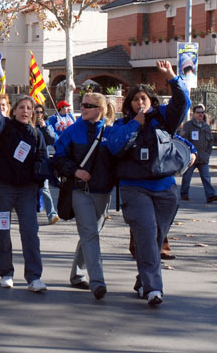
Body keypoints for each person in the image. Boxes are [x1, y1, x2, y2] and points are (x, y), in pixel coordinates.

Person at [106, 60, 191, 306]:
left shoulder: (163, 120)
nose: (140, 102)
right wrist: (135, 124)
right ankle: (154, 288)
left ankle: (143, 278)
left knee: (155, 238)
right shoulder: (122, 125)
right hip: (134, 188)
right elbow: (113, 147)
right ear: (129, 104)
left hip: (165, 188)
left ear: (152, 102)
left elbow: (182, 103)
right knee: (145, 234)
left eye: (144, 98)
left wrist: (172, 77)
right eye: (135, 99)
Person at [0, 73, 48, 293]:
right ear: (13, 111)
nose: (25, 111)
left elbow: (42, 157)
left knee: (30, 232)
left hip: (27, 191)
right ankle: (6, 273)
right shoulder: (3, 127)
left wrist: (40, 172)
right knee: (2, 230)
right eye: (21, 107)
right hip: (2, 188)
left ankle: (34, 277)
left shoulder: (36, 134)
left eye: (29, 108)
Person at [54, 93, 116, 300]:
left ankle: (77, 275)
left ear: (100, 109)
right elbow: (59, 158)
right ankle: (97, 282)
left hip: (103, 192)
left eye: (88, 105)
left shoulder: (111, 132)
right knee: (90, 233)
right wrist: (74, 171)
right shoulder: (72, 131)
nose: (83, 107)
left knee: (90, 234)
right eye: (82, 104)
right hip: (79, 191)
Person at [179, 104, 217, 203]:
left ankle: (210, 195)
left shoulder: (206, 126)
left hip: (203, 157)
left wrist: (208, 153)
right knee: (187, 177)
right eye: (198, 112)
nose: (201, 114)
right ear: (193, 114)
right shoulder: (188, 126)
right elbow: (183, 140)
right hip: (191, 157)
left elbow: (210, 141)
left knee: (206, 177)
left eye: (202, 112)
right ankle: (184, 194)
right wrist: (187, 154)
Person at [34, 104, 59, 224]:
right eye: (36, 112)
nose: (39, 115)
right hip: (30, 163)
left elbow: (52, 139)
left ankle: (52, 214)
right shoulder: (28, 127)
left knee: (44, 188)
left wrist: (44, 127)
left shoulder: (46, 126)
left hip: (42, 162)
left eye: (40, 112)